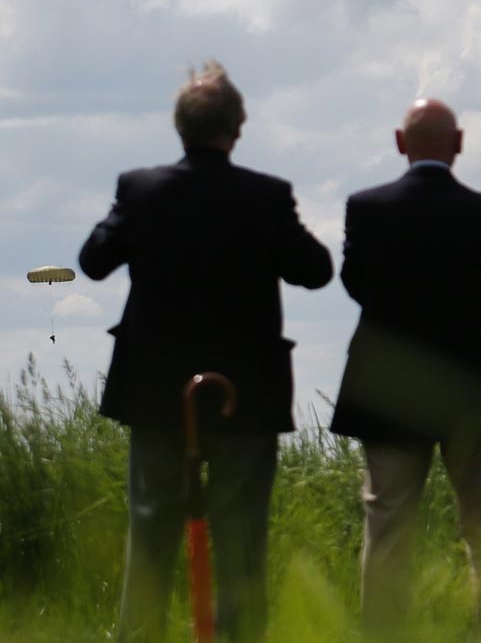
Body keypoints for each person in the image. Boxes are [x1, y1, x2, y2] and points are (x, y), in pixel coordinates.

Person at [78, 61, 333, 642]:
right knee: (241, 536)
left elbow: (93, 260)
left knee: (149, 530)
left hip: (155, 392)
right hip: (246, 393)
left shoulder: (139, 189)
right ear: (237, 127)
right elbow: (316, 272)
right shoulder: (267, 197)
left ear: (179, 128)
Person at [331, 98, 481, 636]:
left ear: (400, 142)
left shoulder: (366, 207)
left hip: (387, 382)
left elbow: (356, 284)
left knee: (387, 522)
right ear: (459, 144)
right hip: (475, 384)